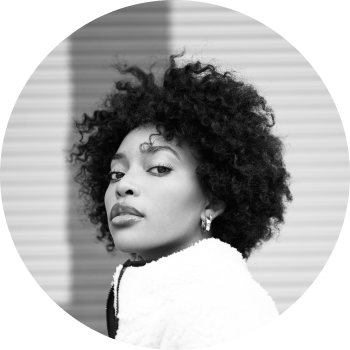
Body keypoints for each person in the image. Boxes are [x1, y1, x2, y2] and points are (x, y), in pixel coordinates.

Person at [68, 53, 292, 349]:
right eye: (116, 172)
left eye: (159, 168)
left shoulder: (222, 310)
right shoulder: (147, 304)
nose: (124, 185)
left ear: (213, 199)